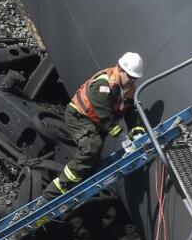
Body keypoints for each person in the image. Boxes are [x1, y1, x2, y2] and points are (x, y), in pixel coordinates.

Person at [42, 52, 146, 199]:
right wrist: (123, 137)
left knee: (94, 156)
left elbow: (129, 112)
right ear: (120, 69)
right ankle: (58, 189)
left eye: (135, 78)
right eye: (130, 76)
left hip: (96, 121)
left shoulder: (129, 89)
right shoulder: (103, 84)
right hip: (79, 116)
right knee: (91, 148)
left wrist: (136, 131)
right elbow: (104, 114)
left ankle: (79, 180)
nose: (132, 80)